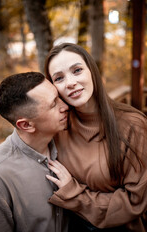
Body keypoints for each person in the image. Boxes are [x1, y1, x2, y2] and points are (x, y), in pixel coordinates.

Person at [44, 43, 147, 231]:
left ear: (92, 71)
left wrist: (74, 194)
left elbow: (135, 202)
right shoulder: (58, 126)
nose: (70, 83)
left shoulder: (133, 125)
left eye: (77, 70)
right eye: (59, 78)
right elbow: (27, 134)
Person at [0, 72, 69, 232]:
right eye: (54, 105)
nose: (65, 106)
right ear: (26, 125)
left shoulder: (68, 138)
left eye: (59, 97)